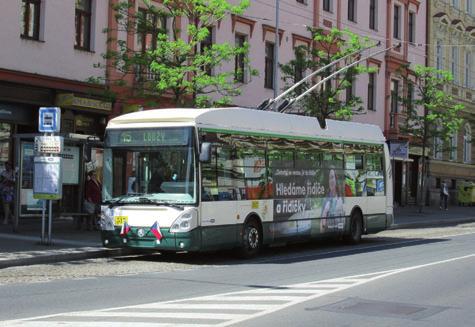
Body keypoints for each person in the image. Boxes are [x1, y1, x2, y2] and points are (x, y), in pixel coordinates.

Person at [320, 168, 345, 232]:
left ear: (336, 179)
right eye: (329, 178)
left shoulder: (342, 198)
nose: (331, 180)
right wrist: (325, 212)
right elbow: (321, 228)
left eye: (332, 177)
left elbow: (344, 221)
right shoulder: (325, 200)